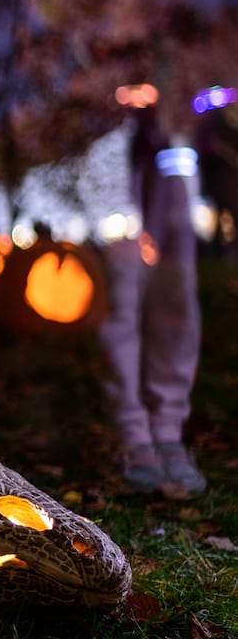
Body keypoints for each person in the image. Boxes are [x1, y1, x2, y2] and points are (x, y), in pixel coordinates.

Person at [99, 98, 205, 496]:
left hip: (171, 165)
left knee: (177, 302)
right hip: (112, 162)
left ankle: (167, 430)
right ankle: (133, 434)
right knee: (121, 310)